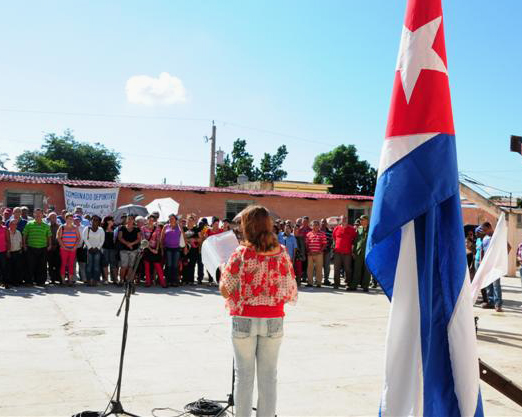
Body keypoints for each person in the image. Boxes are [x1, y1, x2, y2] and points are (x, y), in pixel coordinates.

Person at [219, 205, 298, 417]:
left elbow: (226, 291)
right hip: (273, 319)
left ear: (247, 226)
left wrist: (222, 269)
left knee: (244, 377)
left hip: (244, 318)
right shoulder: (282, 253)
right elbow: (291, 290)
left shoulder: (240, 253)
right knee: (269, 377)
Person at [23, 208, 51, 286]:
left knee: (42, 266)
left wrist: (50, 245)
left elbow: (49, 236)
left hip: (43, 248)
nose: (38, 215)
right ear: (34, 214)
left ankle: (40, 282)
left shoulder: (46, 225)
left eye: (39, 213)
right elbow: (25, 235)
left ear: (42, 215)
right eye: (36, 213)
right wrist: (24, 245)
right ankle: (29, 281)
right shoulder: (29, 224)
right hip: (31, 248)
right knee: (30, 265)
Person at [480, 222, 503, 312]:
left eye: (485, 230)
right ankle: (491, 302)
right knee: (488, 284)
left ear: (490, 227)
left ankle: (498, 304)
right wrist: (482, 262)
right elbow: (482, 250)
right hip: (487, 265)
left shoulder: (497, 237)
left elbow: (508, 247)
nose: (485, 232)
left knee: (496, 285)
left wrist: (500, 260)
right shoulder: (485, 238)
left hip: (495, 265)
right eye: (483, 230)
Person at [332, 215, 357, 289]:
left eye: (345, 219)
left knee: (348, 269)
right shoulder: (336, 228)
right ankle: (336, 284)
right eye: (342, 219)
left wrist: (353, 251)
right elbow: (334, 238)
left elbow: (354, 240)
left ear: (347, 220)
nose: (344, 220)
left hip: (347, 253)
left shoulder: (351, 229)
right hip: (337, 252)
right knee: (336, 269)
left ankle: (348, 284)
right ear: (340, 220)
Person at [141, 214, 166, 287]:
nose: (151, 221)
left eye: (152, 220)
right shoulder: (143, 228)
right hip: (147, 249)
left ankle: (162, 282)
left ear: (154, 221)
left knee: (158, 266)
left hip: (155, 249)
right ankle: (148, 282)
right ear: (147, 219)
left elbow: (158, 239)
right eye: (150, 219)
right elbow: (144, 240)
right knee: (147, 267)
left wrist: (157, 249)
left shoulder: (157, 228)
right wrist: (150, 249)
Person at [57, 213, 81, 286]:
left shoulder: (75, 227)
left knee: (71, 265)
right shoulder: (62, 227)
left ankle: (70, 281)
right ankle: (63, 281)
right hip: (64, 249)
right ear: (65, 219)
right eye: (68, 219)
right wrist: (63, 247)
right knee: (63, 264)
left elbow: (78, 238)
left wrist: (75, 247)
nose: (70, 220)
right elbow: (59, 238)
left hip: (72, 249)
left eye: (71, 219)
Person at [348, 215, 371, 292]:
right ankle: (354, 285)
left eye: (362, 220)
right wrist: (354, 251)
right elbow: (356, 240)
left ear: (367, 220)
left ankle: (365, 286)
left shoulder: (371, 228)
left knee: (367, 270)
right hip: (359, 252)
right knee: (356, 269)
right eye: (360, 220)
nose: (361, 221)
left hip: (367, 252)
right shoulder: (359, 229)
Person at [118, 214, 142, 284]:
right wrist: (127, 244)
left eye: (131, 219)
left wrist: (131, 244)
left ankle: (128, 280)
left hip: (133, 250)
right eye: (128, 218)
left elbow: (139, 239)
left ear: (134, 220)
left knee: (131, 266)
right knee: (123, 266)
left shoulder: (137, 229)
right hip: (124, 250)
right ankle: (121, 280)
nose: (130, 220)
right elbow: (120, 237)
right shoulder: (122, 228)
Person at [161, 214, 183, 286]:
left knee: (175, 265)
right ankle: (168, 280)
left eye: (172, 218)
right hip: (168, 248)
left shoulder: (179, 227)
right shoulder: (165, 226)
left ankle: (175, 281)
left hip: (176, 248)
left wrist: (185, 247)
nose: (171, 219)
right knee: (169, 264)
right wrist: (161, 248)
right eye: (170, 218)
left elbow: (182, 237)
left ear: (175, 219)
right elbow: (162, 238)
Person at [83, 215, 105, 286]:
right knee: (89, 265)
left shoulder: (101, 230)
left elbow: (102, 240)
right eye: (93, 220)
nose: (95, 221)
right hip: (89, 250)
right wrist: (90, 247)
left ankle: (95, 280)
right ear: (91, 221)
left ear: (99, 222)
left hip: (97, 250)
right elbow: (85, 239)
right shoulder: (87, 229)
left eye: (96, 220)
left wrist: (97, 248)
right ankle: (89, 280)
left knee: (96, 266)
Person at [305, 220, 327, 287]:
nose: (315, 226)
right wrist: (308, 251)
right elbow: (306, 244)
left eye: (317, 225)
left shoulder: (322, 233)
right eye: (314, 225)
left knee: (319, 268)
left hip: (319, 254)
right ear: (312, 226)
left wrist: (320, 251)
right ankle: (310, 282)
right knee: (310, 269)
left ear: (319, 226)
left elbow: (324, 244)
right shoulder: (308, 234)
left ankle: (318, 283)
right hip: (310, 254)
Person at [183, 214, 201, 285]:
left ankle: (191, 280)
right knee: (185, 263)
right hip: (185, 248)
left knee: (192, 264)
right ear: (187, 220)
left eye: (192, 220)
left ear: (194, 222)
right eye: (189, 220)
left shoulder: (197, 229)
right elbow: (181, 238)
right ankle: (184, 279)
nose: (190, 222)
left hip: (194, 249)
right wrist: (188, 240)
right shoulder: (183, 229)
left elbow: (200, 239)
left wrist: (194, 239)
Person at [101, 216, 119, 284]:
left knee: (113, 264)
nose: (113, 221)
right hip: (104, 248)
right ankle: (106, 279)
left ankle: (115, 279)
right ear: (108, 221)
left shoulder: (115, 229)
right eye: (112, 220)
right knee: (105, 264)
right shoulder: (102, 229)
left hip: (113, 249)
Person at [46, 212, 61, 284]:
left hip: (57, 247)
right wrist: (50, 245)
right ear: (49, 218)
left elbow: (61, 237)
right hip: (49, 247)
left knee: (58, 263)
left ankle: (58, 278)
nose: (54, 219)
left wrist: (57, 245)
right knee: (50, 264)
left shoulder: (59, 226)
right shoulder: (46, 226)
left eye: (55, 217)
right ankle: (52, 279)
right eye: (52, 217)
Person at [7, 219, 23, 286]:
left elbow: (20, 242)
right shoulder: (7, 232)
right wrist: (8, 252)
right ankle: (9, 281)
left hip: (17, 252)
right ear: (9, 225)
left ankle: (16, 281)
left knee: (17, 268)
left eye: (15, 224)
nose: (14, 225)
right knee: (9, 268)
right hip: (9, 252)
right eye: (12, 224)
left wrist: (21, 249)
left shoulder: (18, 232)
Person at [320, 218, 333, 286]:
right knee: (318, 266)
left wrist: (328, 250)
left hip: (327, 252)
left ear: (326, 223)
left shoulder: (330, 232)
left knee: (327, 266)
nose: (323, 223)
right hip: (319, 252)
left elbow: (331, 242)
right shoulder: (318, 232)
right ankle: (318, 279)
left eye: (324, 222)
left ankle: (326, 279)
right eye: (322, 222)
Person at [0, 219, 10, 288]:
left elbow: (8, 240)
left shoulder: (5, 228)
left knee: (4, 268)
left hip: (3, 251)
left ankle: (5, 283)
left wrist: (8, 251)